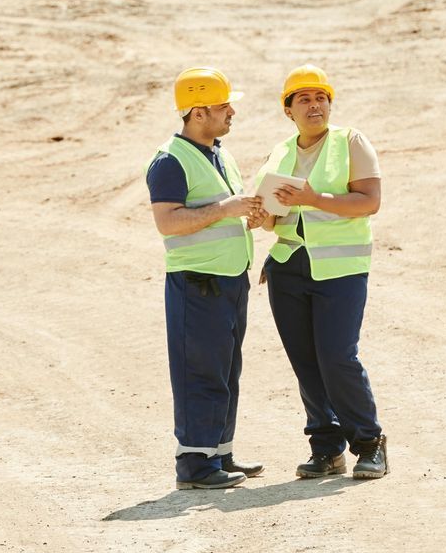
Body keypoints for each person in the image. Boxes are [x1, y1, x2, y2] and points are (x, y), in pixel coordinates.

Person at [253, 64, 388, 480]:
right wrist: (262, 217)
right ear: (288, 110)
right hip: (289, 266)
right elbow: (275, 213)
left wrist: (313, 198)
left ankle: (369, 443)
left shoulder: (351, 142)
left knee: (337, 357)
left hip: (340, 269)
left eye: (321, 98)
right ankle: (326, 447)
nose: (315, 105)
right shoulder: (280, 153)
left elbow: (369, 201)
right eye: (304, 99)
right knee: (306, 362)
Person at [147, 66, 272, 491]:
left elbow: (219, 213)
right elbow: (168, 222)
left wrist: (248, 216)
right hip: (197, 282)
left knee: (225, 369)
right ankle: (195, 463)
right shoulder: (169, 160)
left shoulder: (220, 153)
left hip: (229, 279)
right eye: (223, 106)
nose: (231, 111)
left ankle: (219, 452)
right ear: (198, 112)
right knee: (199, 371)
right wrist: (226, 209)